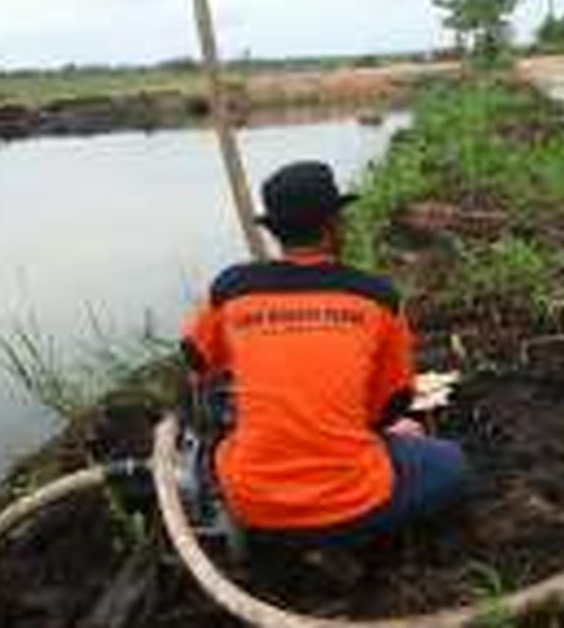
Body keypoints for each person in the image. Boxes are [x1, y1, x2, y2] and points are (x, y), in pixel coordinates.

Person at [181, 161, 469, 546]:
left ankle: (266, 534)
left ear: (275, 231)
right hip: (355, 502)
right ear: (335, 225)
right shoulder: (376, 297)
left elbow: (196, 361)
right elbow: (393, 402)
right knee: (450, 463)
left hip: (255, 503)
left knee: (223, 448)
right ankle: (349, 540)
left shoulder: (232, 288)